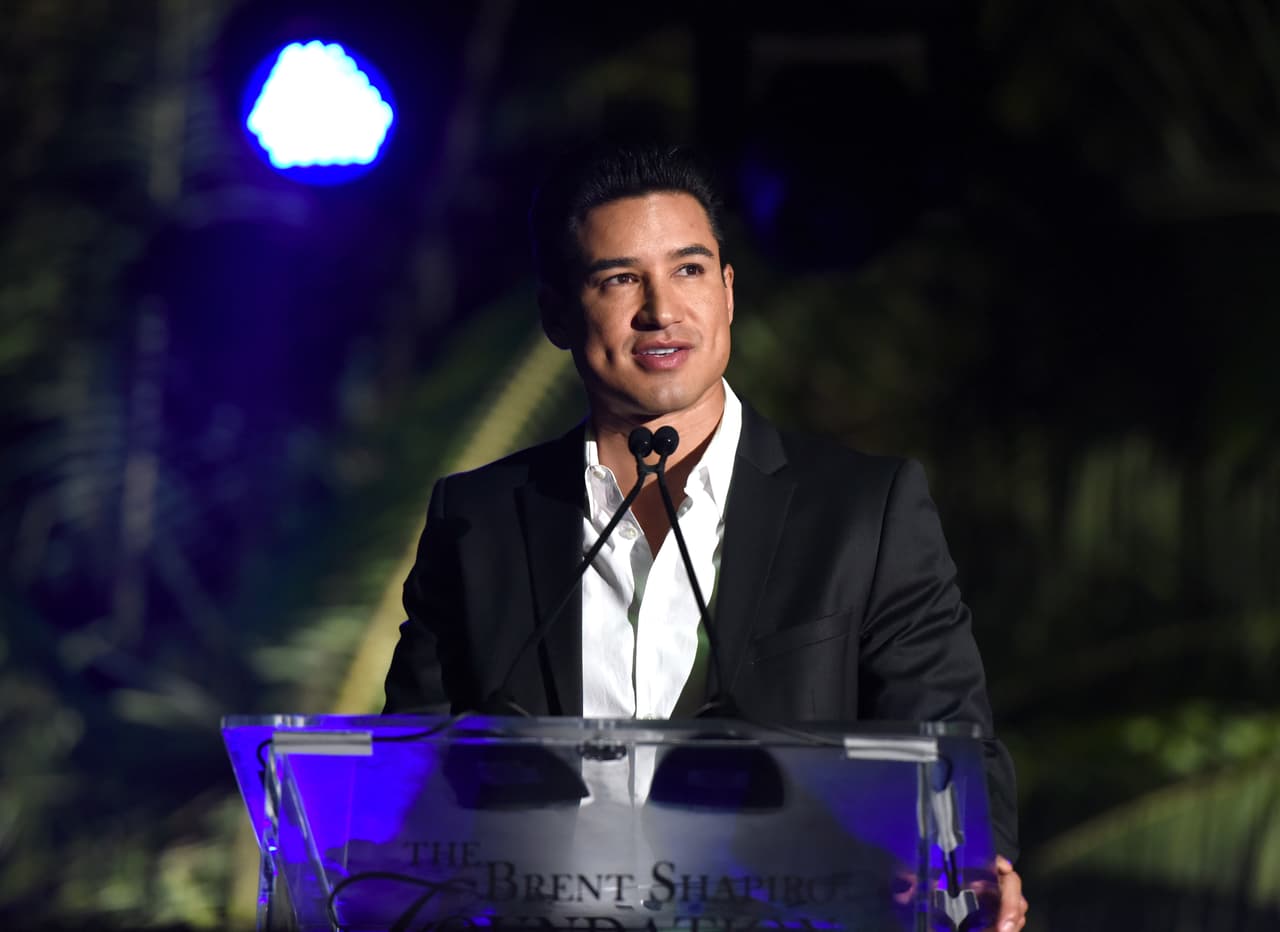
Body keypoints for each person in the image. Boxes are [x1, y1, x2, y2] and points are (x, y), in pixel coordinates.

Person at [384, 144, 1028, 930]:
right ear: (558, 313)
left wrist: (969, 872)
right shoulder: (476, 520)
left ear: (727, 293)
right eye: (619, 279)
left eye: (688, 270)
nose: (661, 310)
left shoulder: (862, 509)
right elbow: (410, 789)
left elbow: (952, 750)